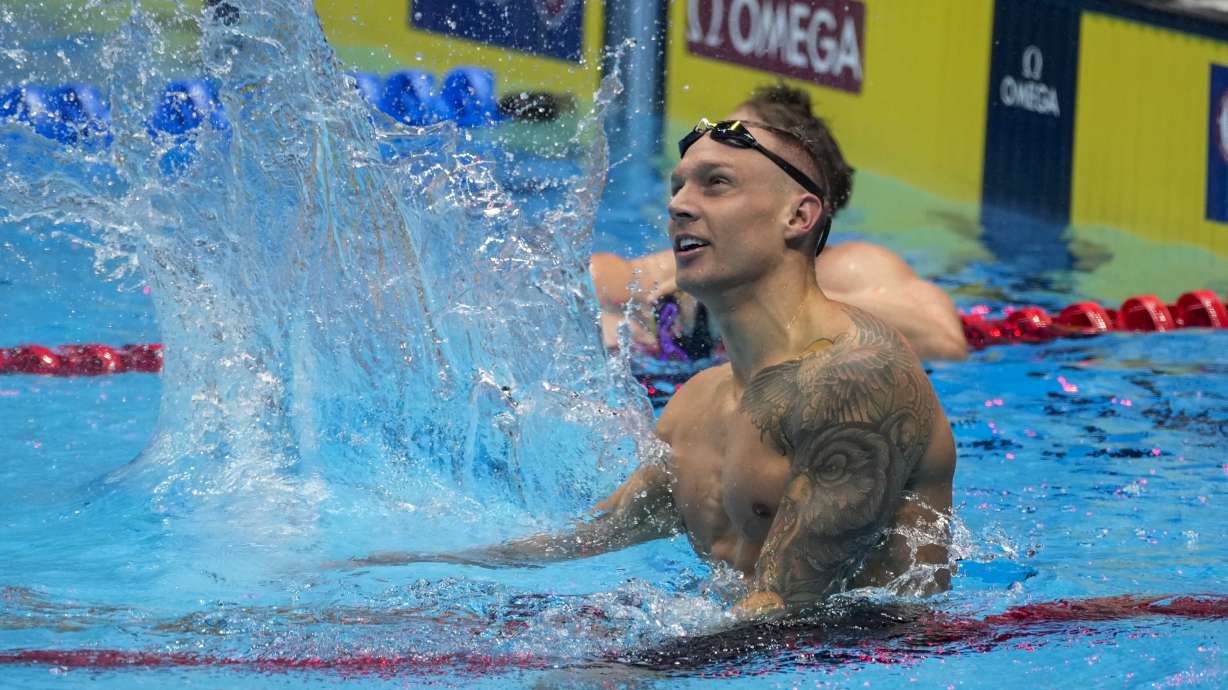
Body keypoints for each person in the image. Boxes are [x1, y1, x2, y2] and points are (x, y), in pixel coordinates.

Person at [347, 101, 957, 618]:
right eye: (678, 187)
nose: (680, 205)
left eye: (716, 184)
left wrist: (613, 668)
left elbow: (789, 613)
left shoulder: (855, 378)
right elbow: (589, 538)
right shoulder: (697, 406)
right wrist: (385, 580)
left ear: (798, 216)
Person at [591, 86, 967, 362]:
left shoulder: (850, 265)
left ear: (798, 208)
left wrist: (760, 300)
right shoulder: (713, 263)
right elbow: (596, 279)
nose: (679, 204)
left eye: (721, 175)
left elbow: (945, 342)